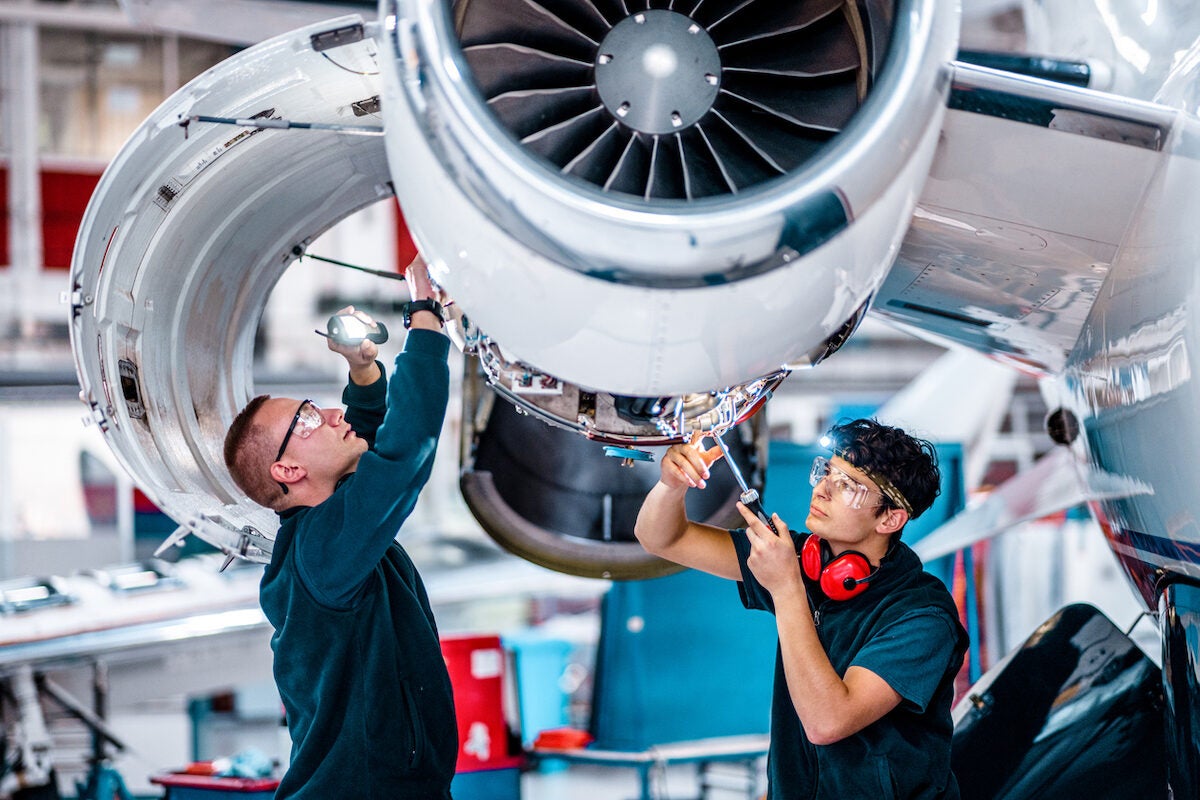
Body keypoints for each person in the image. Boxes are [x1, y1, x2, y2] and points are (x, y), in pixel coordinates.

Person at [634, 418, 969, 799]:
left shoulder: (922, 616)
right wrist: (671, 486)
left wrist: (787, 587)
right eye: (827, 472)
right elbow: (663, 537)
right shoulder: (799, 560)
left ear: (890, 518)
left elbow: (827, 722)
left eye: (848, 486)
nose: (823, 490)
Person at [222, 257, 456, 799]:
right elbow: (401, 457)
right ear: (287, 471)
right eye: (305, 420)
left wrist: (364, 370)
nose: (328, 413)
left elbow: (365, 444)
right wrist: (425, 317)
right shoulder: (322, 552)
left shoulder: (322, 536)